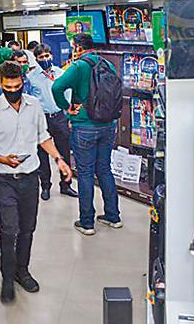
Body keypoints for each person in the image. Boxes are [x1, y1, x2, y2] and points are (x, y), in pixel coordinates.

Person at [0, 61, 72, 304]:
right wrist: (3, 159)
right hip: (5, 180)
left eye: (17, 86)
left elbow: (43, 137)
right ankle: (7, 278)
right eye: (8, 87)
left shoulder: (34, 106)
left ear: (23, 83)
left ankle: (22, 271)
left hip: (30, 178)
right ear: (1, 84)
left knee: (28, 228)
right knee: (9, 230)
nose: (12, 90)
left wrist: (59, 159)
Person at [51, 33, 122, 236]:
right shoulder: (108, 64)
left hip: (84, 126)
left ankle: (87, 222)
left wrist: (66, 107)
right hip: (108, 125)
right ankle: (112, 216)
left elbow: (57, 86)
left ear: (78, 47)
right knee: (104, 170)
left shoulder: (79, 66)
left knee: (84, 173)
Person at [27, 44, 78, 200]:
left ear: (52, 56)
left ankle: (66, 185)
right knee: (42, 154)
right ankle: (45, 186)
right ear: (36, 59)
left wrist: (68, 114)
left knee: (64, 153)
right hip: (42, 119)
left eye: (47, 55)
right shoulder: (32, 77)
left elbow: (68, 93)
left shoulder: (61, 73)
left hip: (60, 117)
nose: (45, 59)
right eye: (41, 57)